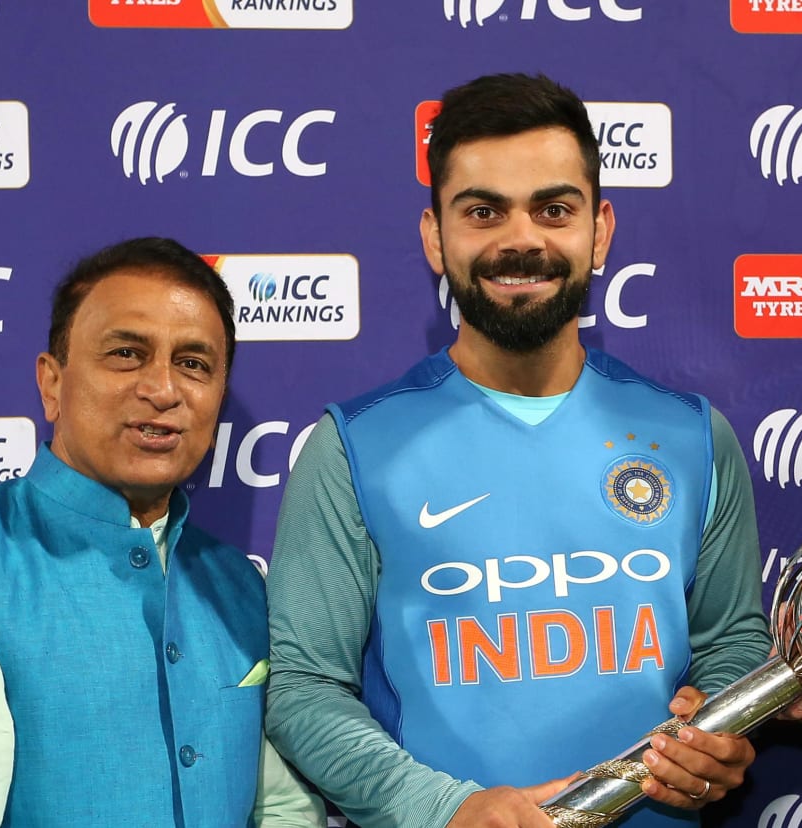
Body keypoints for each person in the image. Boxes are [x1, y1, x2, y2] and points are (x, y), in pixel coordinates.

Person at [264, 73, 771, 828]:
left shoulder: (693, 434)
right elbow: (302, 685)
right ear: (436, 236)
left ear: (599, 231)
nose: (522, 240)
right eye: (482, 212)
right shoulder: (354, 446)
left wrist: (721, 728)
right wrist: (444, 808)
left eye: (553, 209)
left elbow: (731, 637)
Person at [0, 237, 324, 827]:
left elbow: (284, 810)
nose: (163, 390)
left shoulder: (240, 585)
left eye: (193, 364)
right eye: (126, 354)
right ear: (51, 383)